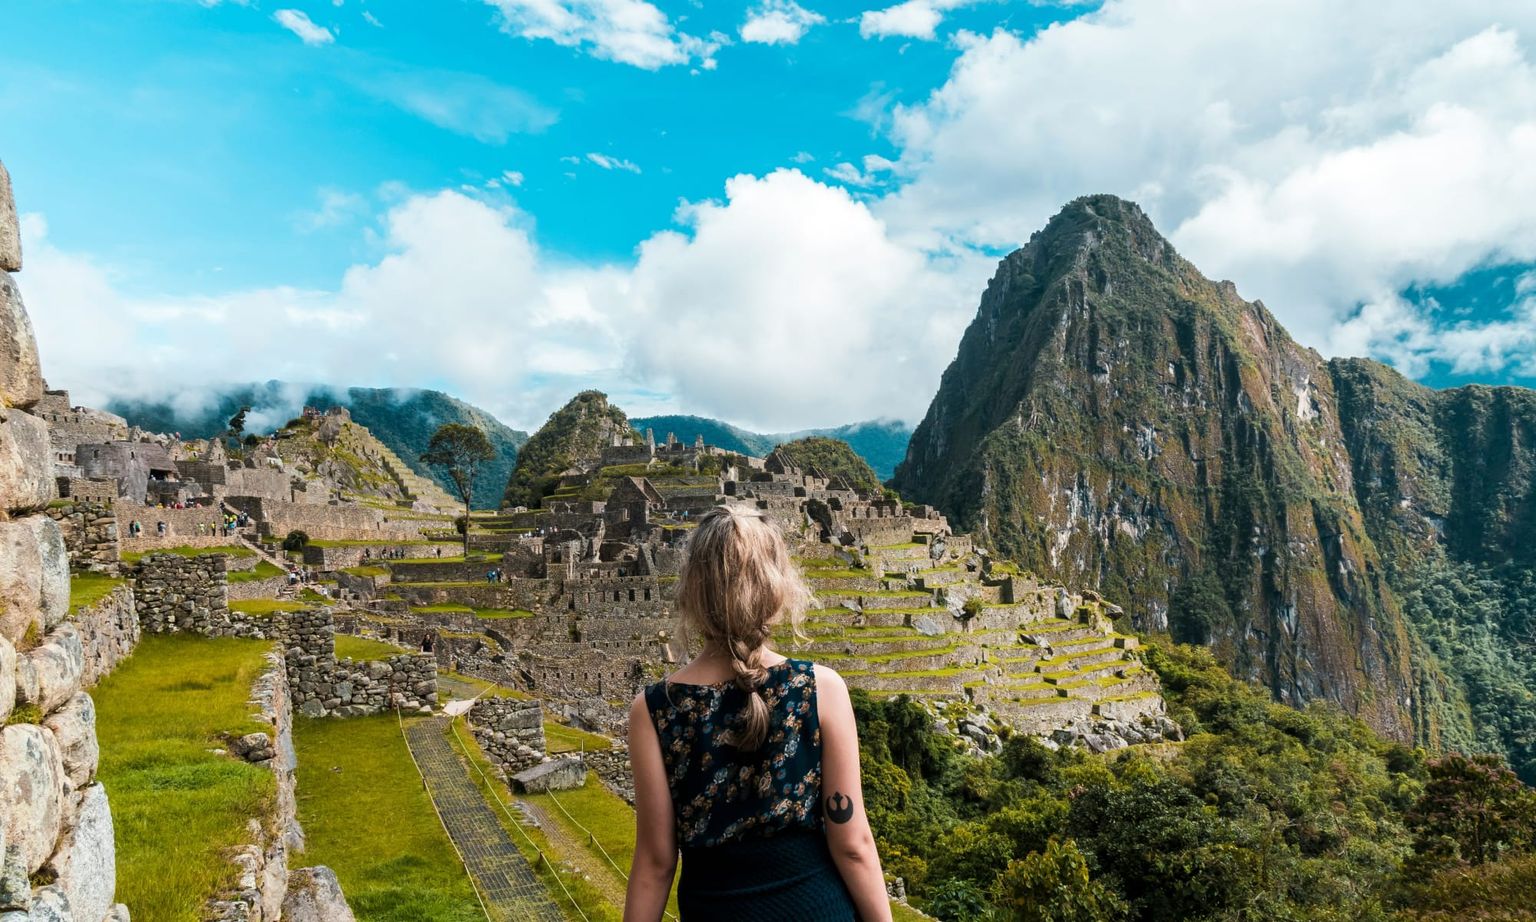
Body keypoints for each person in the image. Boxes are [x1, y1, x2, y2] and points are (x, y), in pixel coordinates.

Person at [624, 504, 890, 922]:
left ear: (693, 590)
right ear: (776, 587)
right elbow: (852, 842)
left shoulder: (656, 709)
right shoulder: (820, 689)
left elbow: (656, 864)